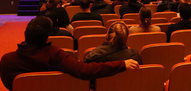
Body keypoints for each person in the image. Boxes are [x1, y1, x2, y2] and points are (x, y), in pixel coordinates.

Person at [0, 17, 139, 91]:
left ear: (25, 35)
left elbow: (9, 85)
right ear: (47, 38)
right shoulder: (54, 54)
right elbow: (83, 71)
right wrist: (121, 64)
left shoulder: (7, 61)